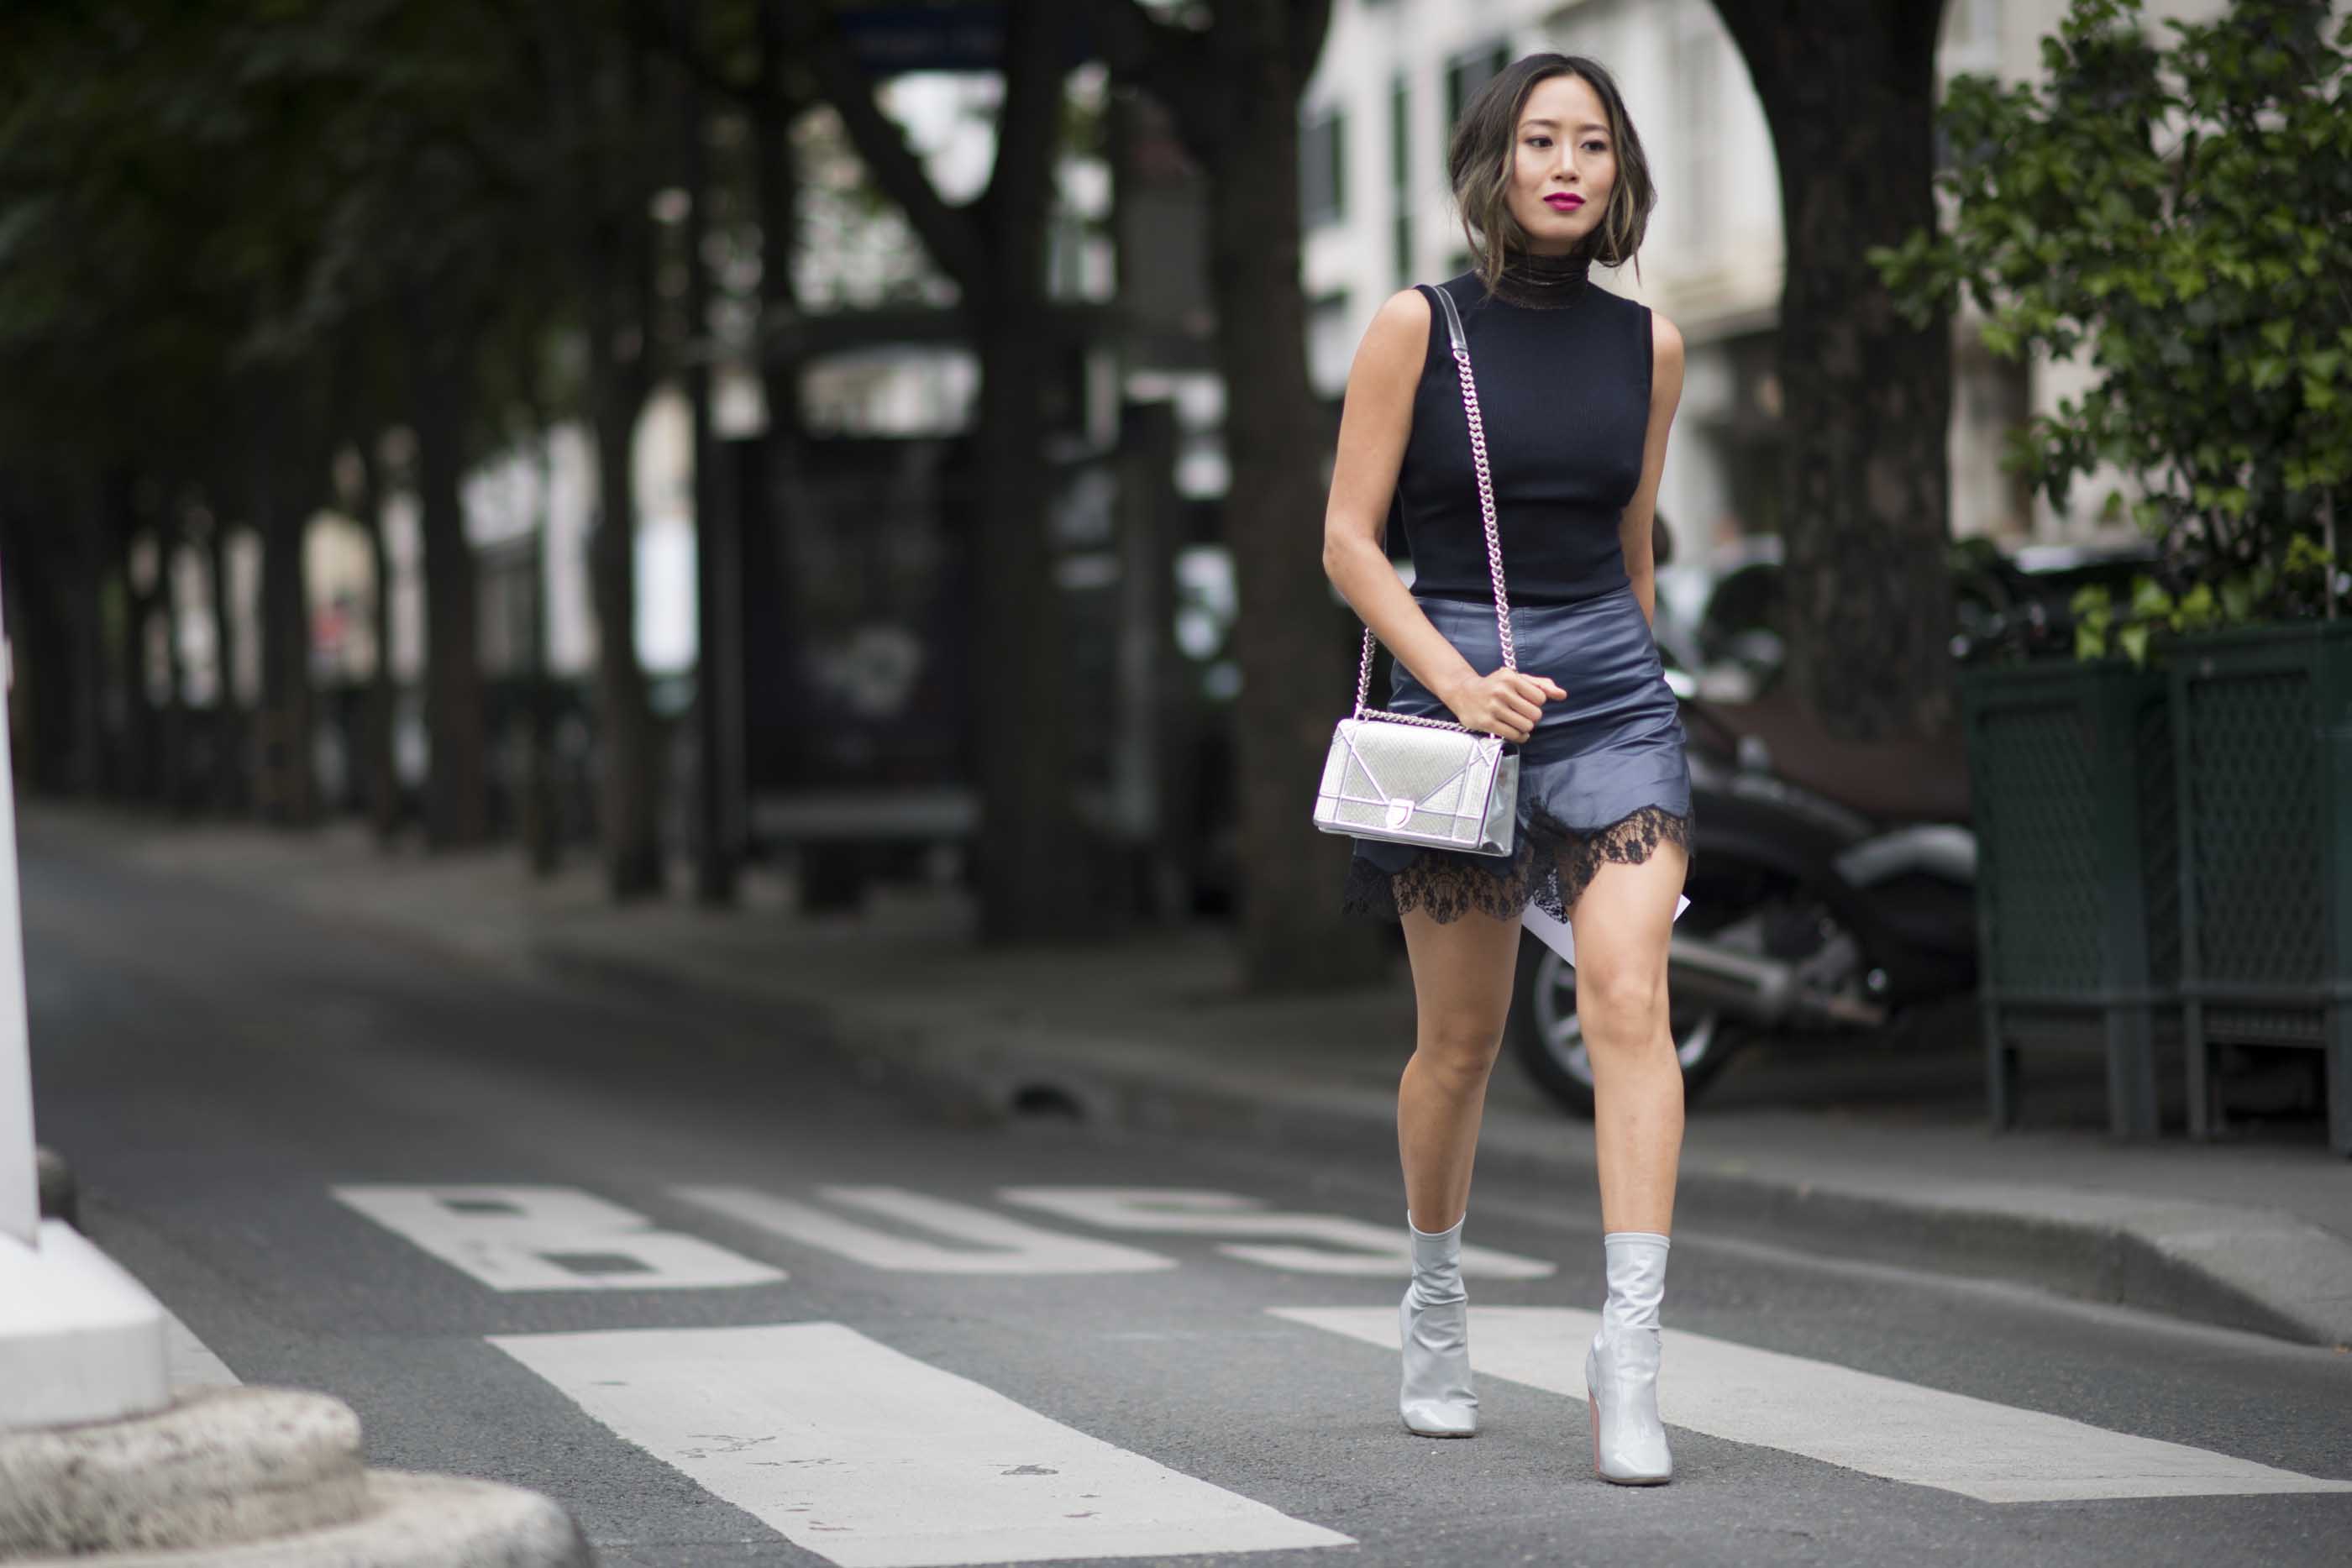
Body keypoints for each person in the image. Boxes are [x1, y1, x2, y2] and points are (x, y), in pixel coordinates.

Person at [1319, 54, 1693, 1486]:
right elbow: (1350, 542)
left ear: (1617, 174)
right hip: (1450, 683)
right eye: (1541, 138)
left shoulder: (1650, 346)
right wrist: (1461, 679)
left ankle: (1632, 1357)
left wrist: (1651, 699)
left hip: (1609, 696)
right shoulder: (1417, 328)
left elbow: (1633, 548)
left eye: (1593, 143)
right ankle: (1433, 1299)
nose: (1567, 164)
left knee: (1629, 999)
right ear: (1495, 161)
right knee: (1461, 1045)